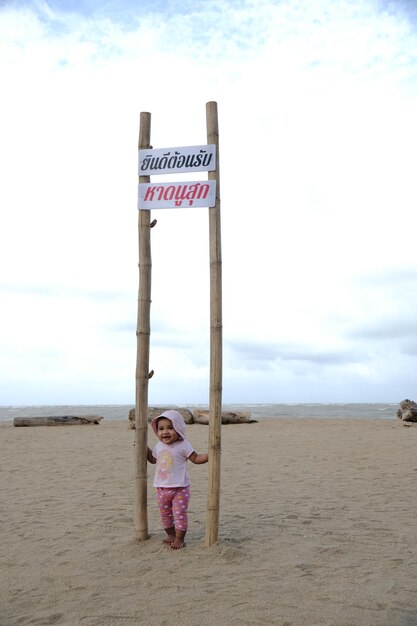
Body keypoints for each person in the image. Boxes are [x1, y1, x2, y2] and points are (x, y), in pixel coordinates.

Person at [147, 410, 208, 550]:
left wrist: (210, 455)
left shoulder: (184, 445)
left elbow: (196, 459)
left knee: (179, 515)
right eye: (161, 429)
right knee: (165, 515)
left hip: (180, 489)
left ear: (179, 428)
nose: (165, 432)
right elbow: (152, 459)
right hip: (161, 489)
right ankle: (171, 535)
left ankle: (179, 539)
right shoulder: (158, 446)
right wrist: (144, 448)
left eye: (170, 427)